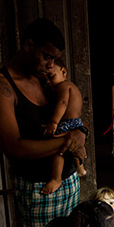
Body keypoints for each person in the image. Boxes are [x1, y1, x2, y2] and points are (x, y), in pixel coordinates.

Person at [0, 18, 88, 227]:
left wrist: (80, 132)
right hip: (38, 188)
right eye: (46, 56)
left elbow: (73, 115)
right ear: (28, 45)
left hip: (68, 179)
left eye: (54, 59)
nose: (51, 64)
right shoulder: (0, 88)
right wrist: (66, 142)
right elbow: (14, 148)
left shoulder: (46, 78)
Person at [41, 58, 87, 195]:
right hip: (76, 122)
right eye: (46, 80)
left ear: (63, 72)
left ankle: (56, 178)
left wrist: (54, 122)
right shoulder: (72, 86)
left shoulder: (63, 86)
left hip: (67, 123)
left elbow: (63, 103)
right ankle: (80, 169)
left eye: (51, 77)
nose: (49, 82)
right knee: (76, 148)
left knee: (59, 151)